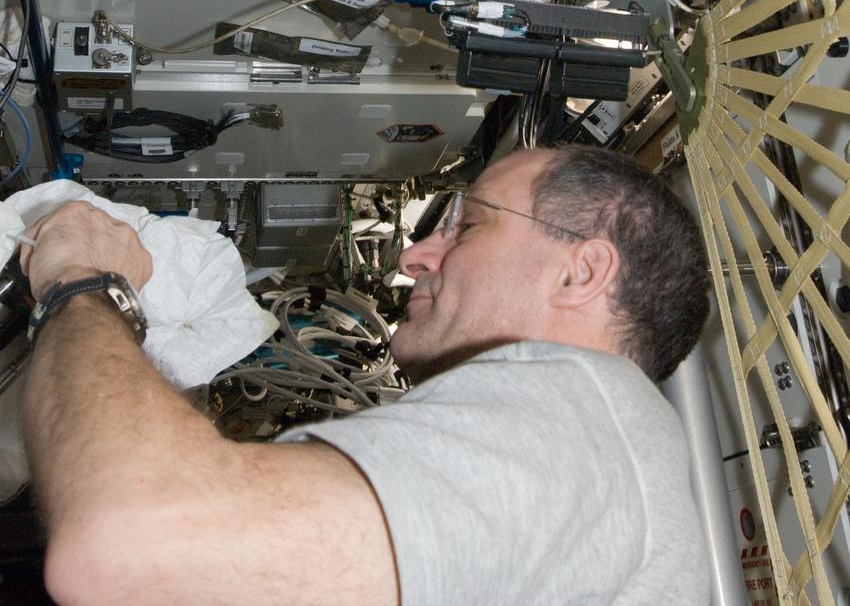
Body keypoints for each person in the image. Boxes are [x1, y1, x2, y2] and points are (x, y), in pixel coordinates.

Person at [19, 143, 712, 605]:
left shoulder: (581, 423)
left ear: (582, 271)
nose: (416, 256)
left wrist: (85, 282)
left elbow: (134, 542)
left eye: (467, 228)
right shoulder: (610, 461)